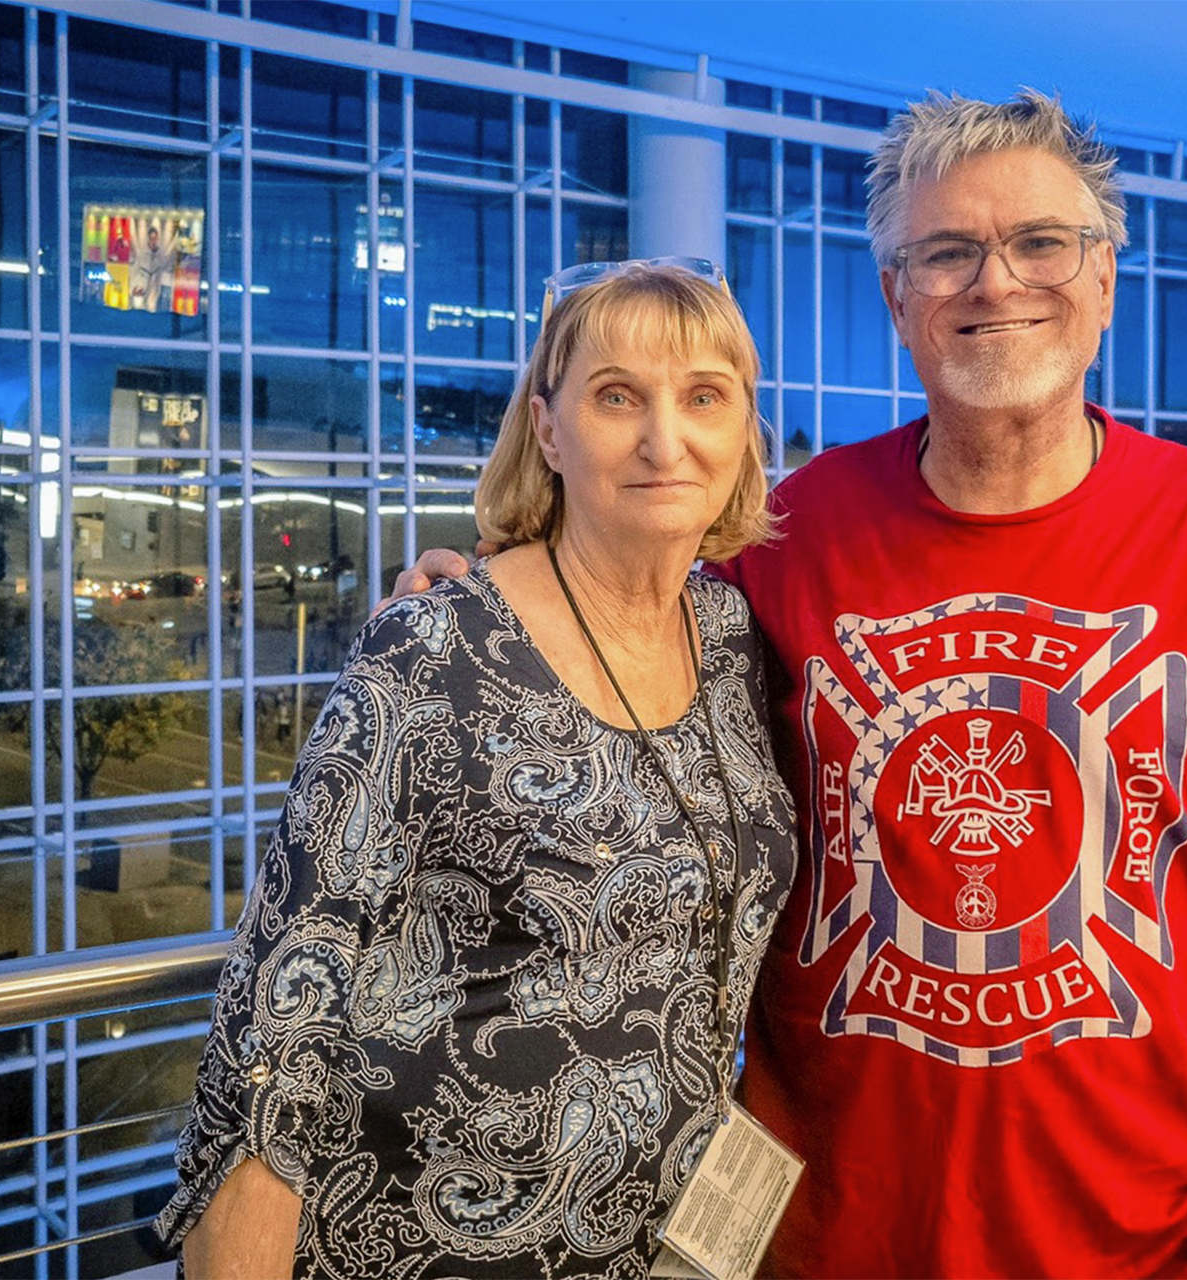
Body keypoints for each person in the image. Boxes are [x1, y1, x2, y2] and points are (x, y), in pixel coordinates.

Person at [393, 92, 1187, 1280]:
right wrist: (480, 607)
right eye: (947, 253)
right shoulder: (779, 533)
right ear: (897, 299)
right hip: (821, 1240)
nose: (995, 281)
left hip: (1146, 1242)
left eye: (1040, 243)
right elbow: (612, 645)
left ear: (1105, 278)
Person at [157, 261, 798, 1278]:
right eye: (616, 395)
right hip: (421, 1244)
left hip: (663, 1247)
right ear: (548, 428)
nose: (664, 440)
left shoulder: (730, 636)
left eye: (704, 397)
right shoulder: (430, 648)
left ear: (745, 431)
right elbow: (276, 1029)